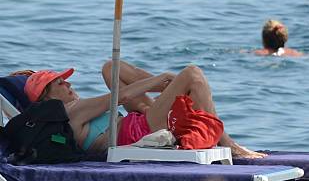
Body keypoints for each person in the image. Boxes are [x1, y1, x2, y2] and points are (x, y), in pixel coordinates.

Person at [22, 61, 265, 159]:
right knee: (192, 74)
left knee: (111, 68)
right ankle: (229, 145)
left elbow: (121, 97)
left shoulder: (68, 112)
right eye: (60, 83)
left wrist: (162, 84)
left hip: (135, 124)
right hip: (137, 133)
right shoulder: (71, 111)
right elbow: (121, 97)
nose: (68, 84)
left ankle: (174, 90)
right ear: (47, 95)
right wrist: (163, 77)